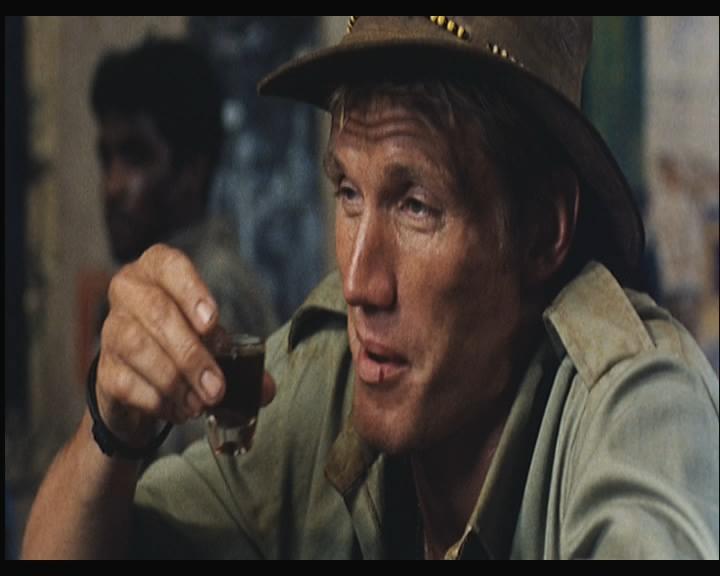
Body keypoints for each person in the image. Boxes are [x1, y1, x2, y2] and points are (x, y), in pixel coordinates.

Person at [23, 17, 718, 559]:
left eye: (417, 206)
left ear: (542, 230)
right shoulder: (328, 378)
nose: (359, 283)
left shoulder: (636, 408)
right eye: (349, 194)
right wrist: (110, 427)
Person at [90, 38, 277, 455]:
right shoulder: (142, 288)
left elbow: (217, 477)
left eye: (135, 156)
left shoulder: (211, 291)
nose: (112, 186)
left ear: (191, 170)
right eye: (106, 158)